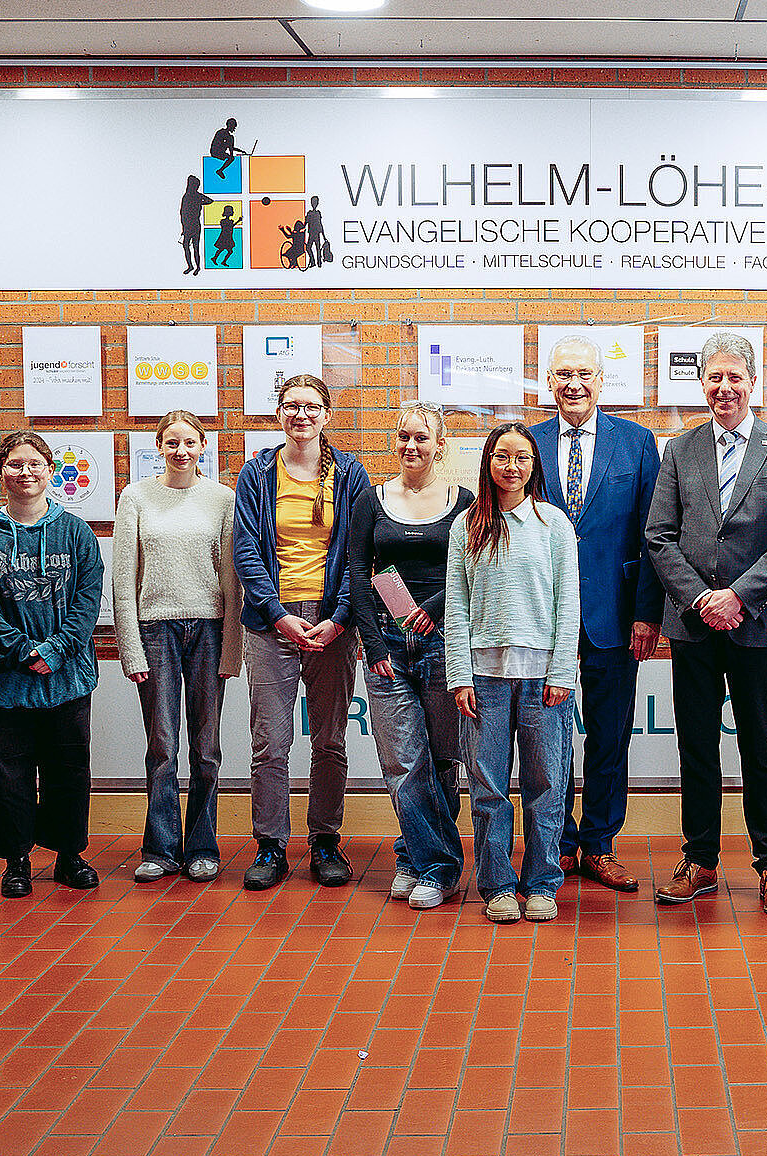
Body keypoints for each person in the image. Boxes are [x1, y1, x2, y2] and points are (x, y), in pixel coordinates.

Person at [646, 333, 767, 918]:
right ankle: (700, 860)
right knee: (696, 746)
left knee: (761, 746)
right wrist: (701, 600)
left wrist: (737, 596)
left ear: (753, 382)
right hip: (693, 625)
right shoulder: (680, 449)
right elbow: (659, 536)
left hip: (754, 623)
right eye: (714, 377)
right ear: (701, 384)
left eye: (734, 377)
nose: (724, 388)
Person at [528, 334, 662, 893]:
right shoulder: (527, 444)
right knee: (547, 739)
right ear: (549, 382)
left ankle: (600, 844)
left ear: (602, 380)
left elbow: (655, 533)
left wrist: (647, 613)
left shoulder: (637, 442)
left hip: (615, 613)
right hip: (542, 618)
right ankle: (557, 843)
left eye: (584, 373)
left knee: (609, 736)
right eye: (563, 374)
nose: (574, 384)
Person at [233, 374, 372, 891]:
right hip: (272, 624)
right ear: (279, 413)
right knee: (270, 742)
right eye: (291, 406)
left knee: (330, 739)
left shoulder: (350, 473)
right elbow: (246, 550)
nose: (301, 415)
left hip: (333, 622)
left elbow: (359, 552)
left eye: (311, 406)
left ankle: (325, 841)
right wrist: (276, 614)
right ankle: (271, 844)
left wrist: (340, 617)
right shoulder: (257, 473)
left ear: (326, 415)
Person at [0, 431, 104, 899]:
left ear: (50, 470)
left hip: (67, 678)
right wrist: (23, 651)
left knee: (69, 770)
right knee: (9, 774)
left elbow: (88, 600)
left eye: (35, 463)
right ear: (1, 470)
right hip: (5, 679)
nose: (26, 472)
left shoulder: (76, 532)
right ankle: (16, 860)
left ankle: (68, 855)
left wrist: (56, 650)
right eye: (16, 464)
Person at [446, 424, 581, 925]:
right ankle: (498, 885)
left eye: (521, 457)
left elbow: (569, 603)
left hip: (544, 679)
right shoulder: (467, 526)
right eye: (502, 456)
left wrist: (562, 670)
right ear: (488, 462)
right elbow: (456, 606)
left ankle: (542, 882)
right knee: (488, 787)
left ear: (534, 465)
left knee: (547, 784)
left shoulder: (552, 523)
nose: (511, 466)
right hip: (483, 679)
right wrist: (459, 675)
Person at [350, 402, 473, 910]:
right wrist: (373, 643)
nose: (411, 445)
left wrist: (434, 609)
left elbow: (471, 568)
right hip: (387, 645)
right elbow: (357, 573)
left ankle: (415, 857)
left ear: (440, 445)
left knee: (441, 760)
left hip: (445, 641)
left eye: (422, 437)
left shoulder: (464, 501)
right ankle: (438, 866)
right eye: (404, 436)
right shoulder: (371, 499)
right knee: (403, 760)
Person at [112, 411, 242, 884]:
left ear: (203, 446)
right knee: (162, 746)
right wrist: (130, 648)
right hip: (155, 631)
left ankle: (203, 847)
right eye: (172, 443)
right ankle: (161, 849)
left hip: (209, 630)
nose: (181, 451)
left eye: (190, 442)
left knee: (206, 749)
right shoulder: (136, 497)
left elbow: (231, 579)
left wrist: (232, 649)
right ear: (159, 446)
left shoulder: (222, 499)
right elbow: (123, 579)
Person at [179, 175, 213, 276]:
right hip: (188, 225)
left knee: (195, 246)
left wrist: (200, 202)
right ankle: (191, 266)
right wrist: (183, 228)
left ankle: (197, 267)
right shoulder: (188, 196)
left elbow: (210, 201)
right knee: (187, 246)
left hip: (194, 224)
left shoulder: (195, 196)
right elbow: (182, 213)